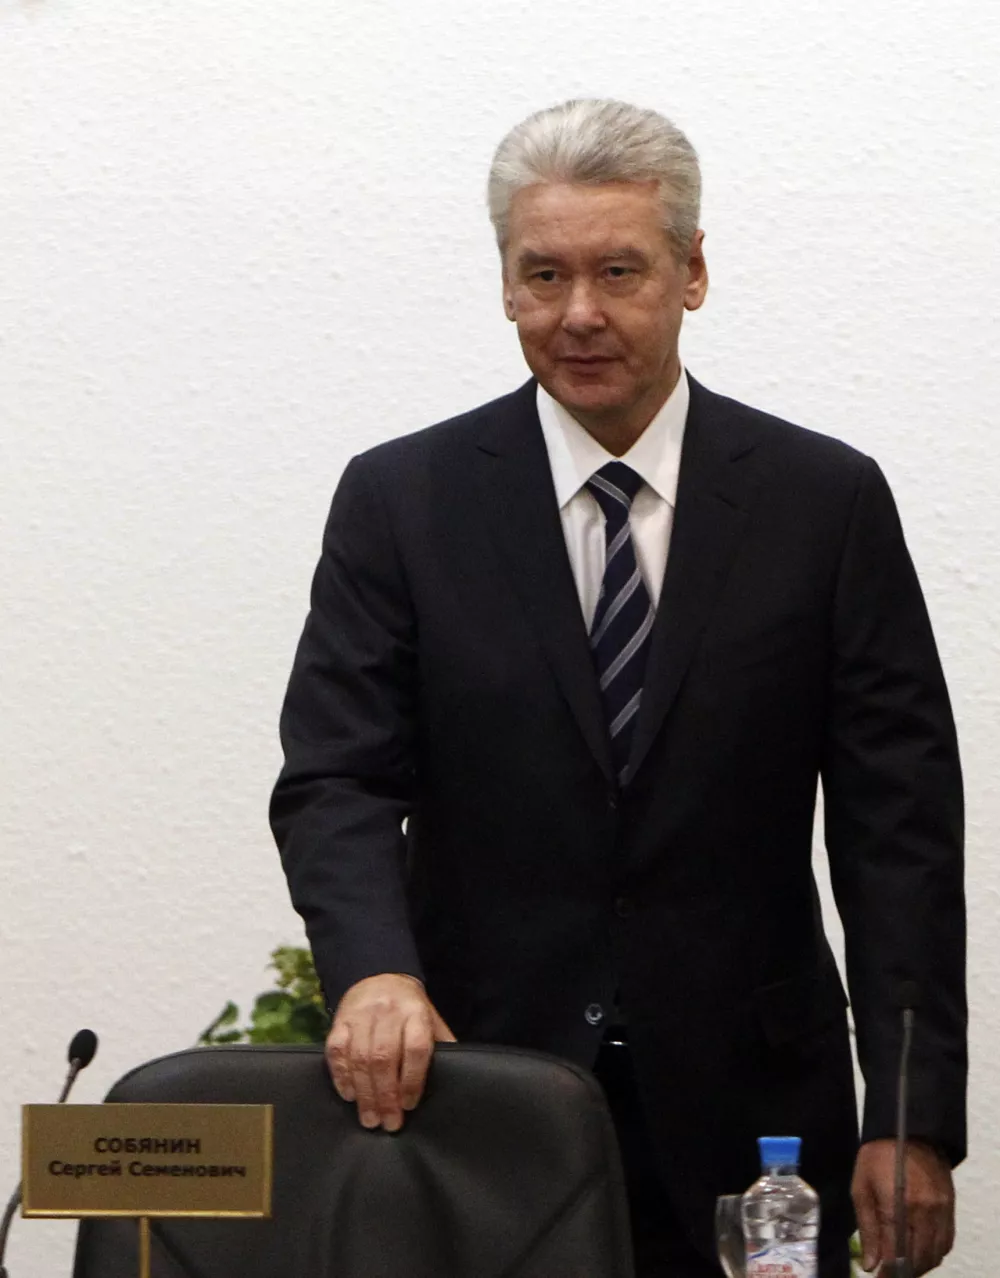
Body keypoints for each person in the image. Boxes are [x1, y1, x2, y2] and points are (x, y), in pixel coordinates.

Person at [270, 99, 966, 1277]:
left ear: (691, 273)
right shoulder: (402, 501)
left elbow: (897, 830)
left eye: (618, 271)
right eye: (542, 274)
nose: (578, 313)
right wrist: (375, 969)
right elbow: (337, 775)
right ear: (505, 285)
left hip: (753, 1120)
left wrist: (908, 1113)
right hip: (477, 1095)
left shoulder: (822, 502)